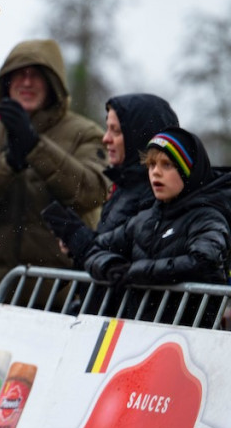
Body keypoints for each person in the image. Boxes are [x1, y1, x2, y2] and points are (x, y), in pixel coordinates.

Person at [0, 38, 108, 293]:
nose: (27, 82)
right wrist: (7, 164)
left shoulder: (87, 133)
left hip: (60, 293)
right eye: (19, 74)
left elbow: (93, 192)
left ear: (54, 84)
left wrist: (35, 147)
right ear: (6, 81)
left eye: (37, 75)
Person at [78, 127, 231, 326]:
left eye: (167, 165)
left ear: (188, 171)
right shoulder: (143, 219)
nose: (155, 172)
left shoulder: (207, 217)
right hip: (141, 338)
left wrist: (135, 272)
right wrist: (112, 267)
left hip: (188, 342)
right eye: (151, 165)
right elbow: (95, 248)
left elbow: (203, 260)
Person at [41, 93, 179, 259]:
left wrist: (81, 241)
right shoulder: (126, 187)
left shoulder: (157, 194)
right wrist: (78, 240)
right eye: (108, 128)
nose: (106, 138)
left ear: (138, 137)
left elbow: (130, 266)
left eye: (116, 131)